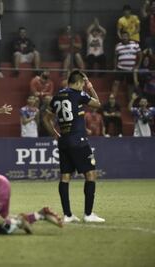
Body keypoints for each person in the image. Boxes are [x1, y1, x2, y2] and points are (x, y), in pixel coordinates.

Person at [43, 70, 105, 223]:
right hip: (78, 139)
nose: (83, 86)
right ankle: (88, 214)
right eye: (83, 84)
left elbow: (46, 118)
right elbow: (97, 104)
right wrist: (90, 87)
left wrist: (55, 134)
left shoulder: (57, 96)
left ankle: (68, 215)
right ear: (78, 83)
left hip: (64, 141)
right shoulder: (78, 94)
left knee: (65, 177)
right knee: (90, 174)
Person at [111, 31, 142, 98]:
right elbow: (115, 57)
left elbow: (140, 56)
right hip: (120, 68)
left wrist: (137, 66)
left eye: (126, 36)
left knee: (130, 85)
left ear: (128, 37)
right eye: (123, 36)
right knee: (116, 83)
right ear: (121, 37)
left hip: (131, 69)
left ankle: (130, 102)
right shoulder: (118, 45)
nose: (124, 38)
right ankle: (112, 100)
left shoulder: (135, 44)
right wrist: (115, 68)